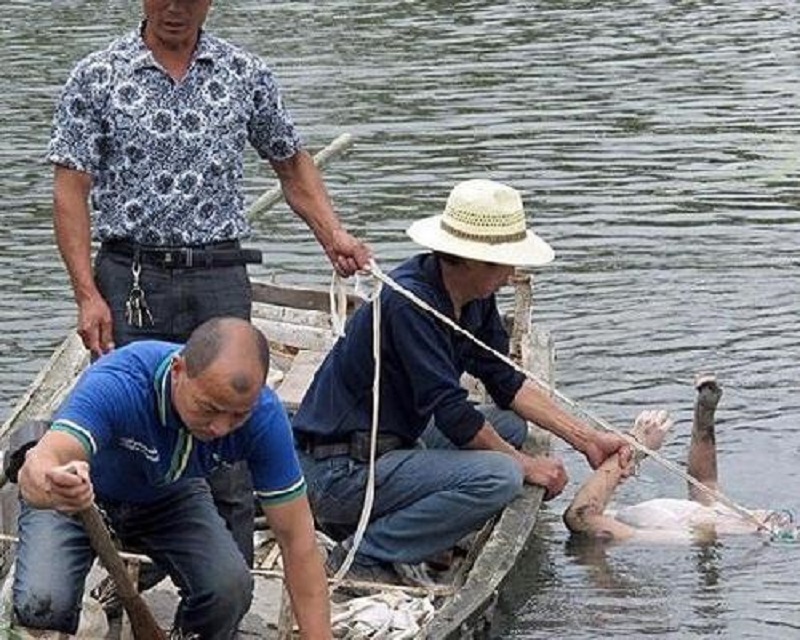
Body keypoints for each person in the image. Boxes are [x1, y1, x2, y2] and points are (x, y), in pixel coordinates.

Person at [48, 0, 369, 575]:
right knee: (133, 420)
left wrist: (334, 236)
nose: (176, 9)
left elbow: (292, 165)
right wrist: (86, 293)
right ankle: (128, 570)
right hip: (132, 274)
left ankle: (229, 588)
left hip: (219, 274)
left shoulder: (244, 73)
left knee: (228, 425)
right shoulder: (97, 75)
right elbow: (71, 190)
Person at [291, 178, 630, 584]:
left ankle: (422, 523)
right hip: (339, 470)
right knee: (500, 476)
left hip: (394, 440)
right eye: (504, 264)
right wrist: (524, 464)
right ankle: (367, 552)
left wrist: (587, 439)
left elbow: (504, 380)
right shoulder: (410, 304)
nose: (509, 276)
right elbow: (452, 413)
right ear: (473, 260)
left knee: (510, 425)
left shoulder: (474, 296)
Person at [12, 318, 331, 639]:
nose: (220, 428)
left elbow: (298, 543)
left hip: (168, 493)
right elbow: (37, 469)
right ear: (178, 371)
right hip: (78, 495)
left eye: (238, 415)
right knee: (43, 604)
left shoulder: (264, 417)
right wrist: (55, 485)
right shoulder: (119, 383)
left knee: (228, 589)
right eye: (209, 408)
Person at [563, 373, 784, 542]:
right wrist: (705, 414)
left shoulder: (678, 535)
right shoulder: (716, 515)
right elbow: (703, 483)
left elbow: (582, 518)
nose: (772, 516)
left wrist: (635, 448)